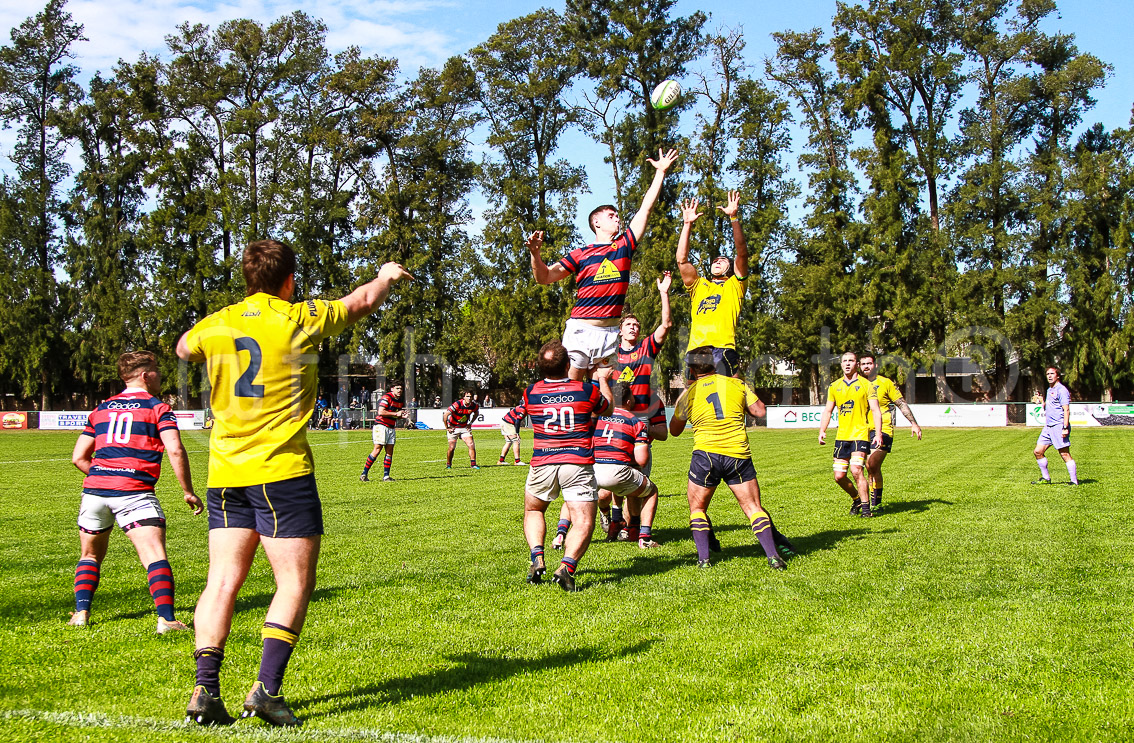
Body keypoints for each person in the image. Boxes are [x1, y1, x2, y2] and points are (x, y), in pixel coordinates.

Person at [176, 239, 412, 727]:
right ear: (288, 280)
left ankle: (205, 688)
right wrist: (387, 274)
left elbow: (183, 347)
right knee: (293, 581)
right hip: (281, 472)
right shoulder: (301, 317)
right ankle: (266, 690)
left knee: (221, 581)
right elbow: (362, 300)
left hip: (224, 473)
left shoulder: (218, 322)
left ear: (247, 279)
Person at [68, 350, 203, 632]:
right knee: (154, 555)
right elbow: (175, 449)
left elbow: (79, 457)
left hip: (94, 493)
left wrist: (104, 475)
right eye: (156, 370)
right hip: (135, 492)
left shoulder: (101, 409)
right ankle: (166, 619)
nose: (160, 375)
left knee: (89, 556)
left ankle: (81, 614)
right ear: (145, 375)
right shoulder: (158, 408)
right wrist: (188, 491)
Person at [527, 147, 680, 381]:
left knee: (606, 391)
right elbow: (544, 277)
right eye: (611, 215)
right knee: (574, 386)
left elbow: (645, 210)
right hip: (582, 330)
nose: (617, 218)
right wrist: (535, 255)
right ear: (596, 222)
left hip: (609, 332)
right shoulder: (581, 253)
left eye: (618, 216)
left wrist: (660, 173)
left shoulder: (624, 245)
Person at [669, 350, 793, 569]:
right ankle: (773, 556)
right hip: (737, 454)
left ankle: (704, 560)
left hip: (705, 455)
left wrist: (686, 392)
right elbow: (760, 411)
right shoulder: (737, 385)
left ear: (690, 370)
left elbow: (674, 430)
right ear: (715, 365)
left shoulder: (690, 394)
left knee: (697, 509)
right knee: (754, 508)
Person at [522, 340, 613, 591]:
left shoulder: (530, 392)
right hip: (577, 461)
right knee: (583, 521)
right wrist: (601, 378)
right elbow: (607, 408)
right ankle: (566, 567)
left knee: (534, 510)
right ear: (569, 364)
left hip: (543, 461)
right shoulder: (587, 391)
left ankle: (537, 557)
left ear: (541, 367)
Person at [605, 271, 673, 537]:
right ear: (620, 330)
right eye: (628, 325)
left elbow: (666, 325)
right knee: (611, 476)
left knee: (634, 475)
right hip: (613, 417)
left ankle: (631, 527)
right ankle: (613, 518)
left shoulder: (646, 348)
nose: (633, 328)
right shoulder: (609, 355)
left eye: (636, 325)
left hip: (640, 418)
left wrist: (664, 293)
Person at [676, 190, 749, 378]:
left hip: (722, 347)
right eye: (715, 259)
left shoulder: (735, 285)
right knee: (692, 399)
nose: (717, 261)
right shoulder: (699, 285)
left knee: (730, 393)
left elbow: (742, 253)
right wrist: (687, 225)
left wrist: (734, 218)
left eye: (723, 260)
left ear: (731, 268)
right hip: (696, 350)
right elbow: (682, 260)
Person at [594, 382, 660, 549]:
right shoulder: (634, 421)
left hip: (592, 470)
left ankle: (562, 533)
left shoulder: (597, 418)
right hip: (616, 471)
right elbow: (642, 460)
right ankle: (643, 536)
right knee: (651, 491)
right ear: (629, 401)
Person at [818, 352, 884, 518]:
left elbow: (876, 410)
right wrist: (822, 430)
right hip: (842, 436)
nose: (847, 364)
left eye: (851, 361)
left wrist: (878, 434)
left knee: (856, 470)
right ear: (841, 364)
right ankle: (856, 499)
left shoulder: (866, 385)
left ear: (856, 364)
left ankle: (867, 510)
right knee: (839, 476)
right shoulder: (834, 386)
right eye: (844, 361)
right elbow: (828, 410)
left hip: (860, 435)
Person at [859, 353, 923, 509]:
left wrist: (913, 423)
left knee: (872, 464)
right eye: (863, 364)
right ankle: (871, 503)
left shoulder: (885, 383)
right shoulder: (858, 384)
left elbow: (901, 403)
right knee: (868, 467)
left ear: (876, 366)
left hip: (884, 429)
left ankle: (876, 502)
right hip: (862, 430)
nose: (866, 366)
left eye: (869, 363)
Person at [1032, 366, 1078, 485]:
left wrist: (1064, 427)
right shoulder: (1049, 389)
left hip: (1058, 425)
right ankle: (1046, 478)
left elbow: (1066, 409)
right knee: (1038, 451)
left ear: (1057, 376)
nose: (1049, 376)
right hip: (1048, 427)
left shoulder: (1061, 390)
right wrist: (1041, 401)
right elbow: (1049, 407)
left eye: (1052, 373)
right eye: (1048, 374)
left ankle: (1074, 481)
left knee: (1064, 454)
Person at [361, 382, 406, 482]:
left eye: (401, 389)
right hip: (381, 426)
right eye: (397, 388)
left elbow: (393, 415)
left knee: (390, 451)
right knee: (377, 450)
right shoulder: (387, 398)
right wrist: (396, 413)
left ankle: (386, 476)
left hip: (391, 427)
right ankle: (364, 474)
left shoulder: (400, 401)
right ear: (392, 389)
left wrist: (401, 416)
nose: (399, 390)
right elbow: (381, 412)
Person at [445, 391, 481, 470]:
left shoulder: (474, 406)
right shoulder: (457, 404)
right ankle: (448, 464)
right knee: (451, 447)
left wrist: (470, 423)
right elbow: (445, 415)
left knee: (471, 444)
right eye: (467, 396)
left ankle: (473, 464)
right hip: (453, 427)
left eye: (470, 396)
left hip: (464, 427)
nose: (469, 398)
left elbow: (476, 413)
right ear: (464, 397)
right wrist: (447, 427)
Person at [498, 401, 527, 466]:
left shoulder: (523, 407)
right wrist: (517, 433)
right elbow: (517, 421)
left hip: (504, 422)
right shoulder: (523, 409)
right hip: (508, 423)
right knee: (516, 440)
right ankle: (517, 461)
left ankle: (501, 460)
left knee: (508, 442)